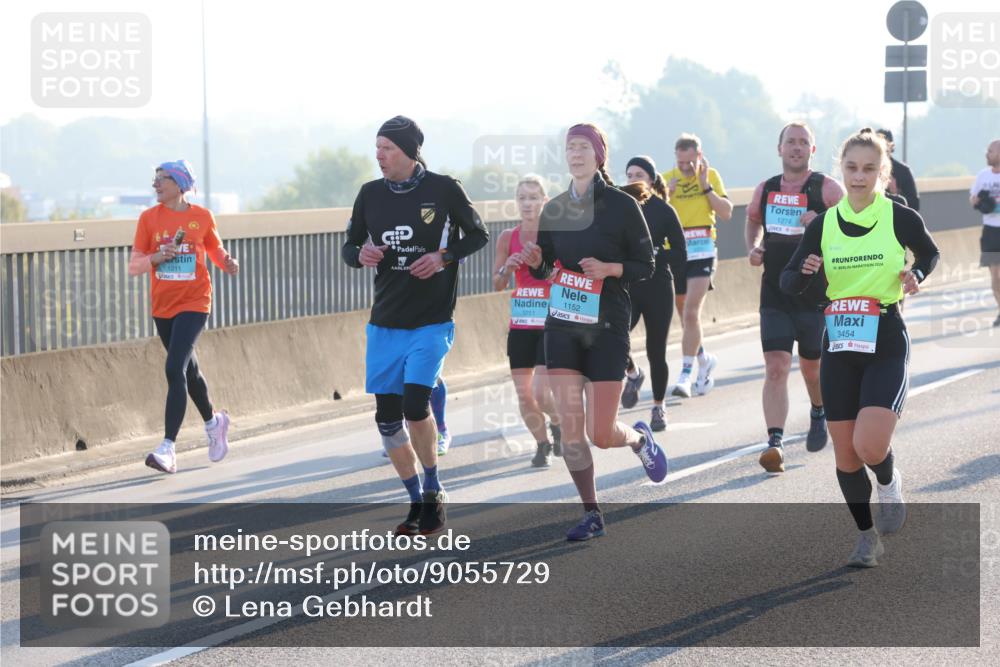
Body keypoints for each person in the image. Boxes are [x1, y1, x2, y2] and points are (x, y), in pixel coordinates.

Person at [781, 128, 940, 567]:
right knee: (847, 454)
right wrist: (807, 272)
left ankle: (889, 483)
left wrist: (916, 276)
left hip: (885, 337)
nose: (858, 176)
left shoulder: (899, 217)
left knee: (871, 446)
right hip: (840, 343)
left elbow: (929, 254)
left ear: (882, 173)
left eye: (869, 168)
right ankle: (867, 537)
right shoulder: (825, 224)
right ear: (841, 169)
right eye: (851, 167)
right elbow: (789, 281)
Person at [342, 116, 489, 536]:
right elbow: (349, 246)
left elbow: (477, 235)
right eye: (377, 148)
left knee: (413, 406)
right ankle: (416, 500)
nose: (379, 156)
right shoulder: (369, 194)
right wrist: (362, 254)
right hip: (385, 322)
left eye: (387, 148)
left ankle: (433, 486)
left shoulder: (444, 189)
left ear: (408, 151)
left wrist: (443, 257)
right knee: (386, 421)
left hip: (431, 321)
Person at [519, 123, 666, 541]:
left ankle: (638, 440)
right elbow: (546, 266)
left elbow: (647, 265)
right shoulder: (555, 208)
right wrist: (534, 261)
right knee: (570, 426)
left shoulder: (621, 205)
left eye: (584, 146)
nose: (576, 153)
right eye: (570, 147)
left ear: (600, 155)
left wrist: (609, 269)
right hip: (563, 324)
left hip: (607, 326)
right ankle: (591, 512)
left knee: (602, 434)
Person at [129, 160, 239, 474]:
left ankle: (168, 448)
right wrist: (155, 257)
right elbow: (135, 265)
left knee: (174, 366)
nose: (155, 184)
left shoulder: (201, 217)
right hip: (163, 306)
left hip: (195, 302)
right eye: (154, 179)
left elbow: (215, 250)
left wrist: (227, 262)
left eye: (161, 179)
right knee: (189, 372)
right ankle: (214, 423)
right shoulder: (148, 219)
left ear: (179, 183)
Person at [746, 122, 845, 472]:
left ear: (812, 151)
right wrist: (754, 247)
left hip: (815, 293)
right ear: (779, 148)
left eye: (804, 142)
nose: (797, 147)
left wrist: (822, 219)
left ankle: (818, 410)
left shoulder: (827, 188)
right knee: (775, 368)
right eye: (791, 142)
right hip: (775, 290)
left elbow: (850, 226)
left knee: (812, 368)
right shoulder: (766, 189)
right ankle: (774, 442)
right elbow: (753, 220)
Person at [492, 174, 562, 467]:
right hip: (521, 323)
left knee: (541, 393)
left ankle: (557, 422)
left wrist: (542, 268)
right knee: (524, 396)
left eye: (534, 198)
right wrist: (506, 270)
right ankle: (542, 443)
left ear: (544, 201)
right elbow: (496, 283)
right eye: (522, 198)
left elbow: (566, 278)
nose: (527, 203)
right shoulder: (508, 237)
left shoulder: (557, 235)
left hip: (550, 323)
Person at [662, 134, 733, 397]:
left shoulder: (710, 175)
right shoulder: (667, 178)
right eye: (681, 163)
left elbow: (726, 212)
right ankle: (704, 360)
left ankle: (684, 375)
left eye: (690, 163)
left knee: (691, 312)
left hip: (703, 248)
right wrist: (665, 196)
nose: (685, 168)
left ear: (699, 156)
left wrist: (705, 186)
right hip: (677, 251)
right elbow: (653, 216)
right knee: (684, 316)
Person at [619, 156, 686, 432]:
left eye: (639, 174)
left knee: (656, 350)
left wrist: (656, 254)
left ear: (651, 178)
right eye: (629, 173)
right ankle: (633, 374)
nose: (633, 178)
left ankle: (659, 407)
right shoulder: (619, 208)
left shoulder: (664, 210)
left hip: (658, 286)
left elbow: (681, 253)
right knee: (615, 336)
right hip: (630, 286)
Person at [970, 139, 1000, 327]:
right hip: (990, 232)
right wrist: (981, 201)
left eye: (990, 151)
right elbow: (973, 200)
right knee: (995, 276)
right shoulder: (983, 176)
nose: (987, 154)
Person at [876, 129, 919, 211]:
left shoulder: (903, 171)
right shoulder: (868, 169)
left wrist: (895, 192)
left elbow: (915, 205)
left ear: (891, 147)